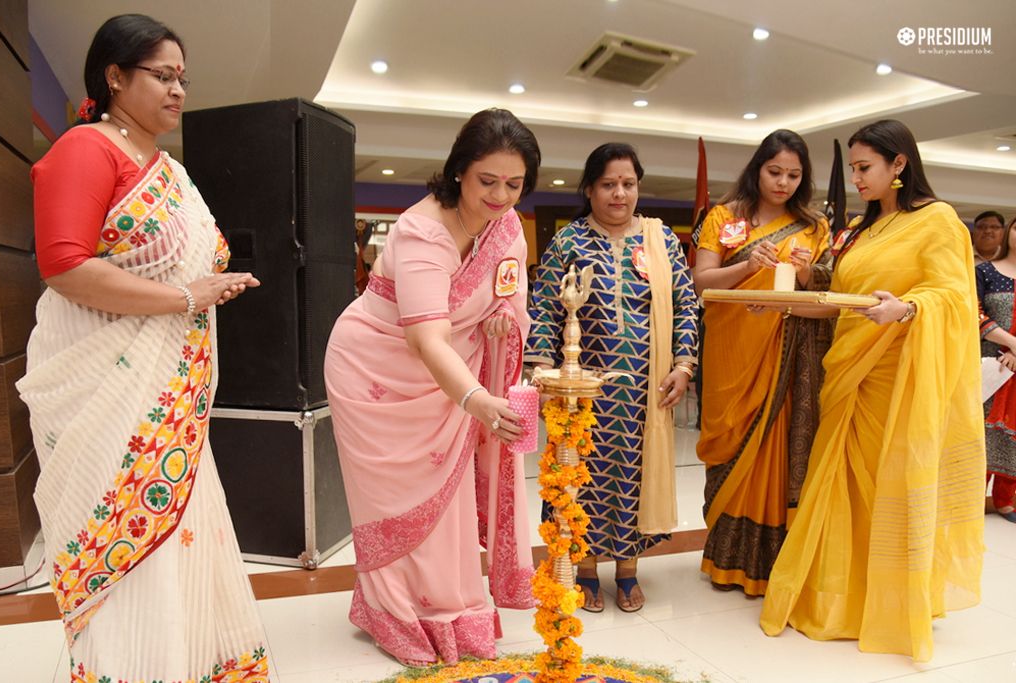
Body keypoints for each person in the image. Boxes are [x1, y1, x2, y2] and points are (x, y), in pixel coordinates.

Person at [16, 14, 269, 682]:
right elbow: (65, 266)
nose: (178, 90)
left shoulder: (170, 172)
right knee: (127, 540)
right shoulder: (85, 149)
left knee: (178, 535)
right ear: (115, 75)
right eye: (163, 75)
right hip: (106, 389)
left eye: (183, 78)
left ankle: (183, 661)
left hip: (169, 391)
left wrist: (208, 287)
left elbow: (180, 272)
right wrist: (189, 296)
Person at [759, 120, 984, 661]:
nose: (855, 178)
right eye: (854, 168)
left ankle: (889, 599)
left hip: (894, 374)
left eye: (865, 168)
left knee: (887, 485)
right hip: (849, 368)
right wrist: (793, 295)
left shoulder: (940, 221)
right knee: (840, 483)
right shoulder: (863, 227)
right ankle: (838, 596)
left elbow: (952, 297)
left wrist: (907, 309)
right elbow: (846, 295)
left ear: (899, 164)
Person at [325, 109, 540, 666]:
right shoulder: (422, 230)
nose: (499, 196)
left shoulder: (507, 227)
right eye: (487, 180)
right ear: (459, 172)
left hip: (453, 372)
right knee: (398, 501)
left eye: (514, 185)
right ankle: (397, 615)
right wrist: (477, 399)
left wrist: (501, 317)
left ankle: (453, 609)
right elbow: (425, 337)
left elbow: (509, 298)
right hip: (377, 374)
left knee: (448, 503)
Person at [526, 143, 698, 612]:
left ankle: (626, 571)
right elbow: (543, 310)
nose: (620, 193)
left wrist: (683, 367)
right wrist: (542, 372)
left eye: (628, 183)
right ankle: (584, 570)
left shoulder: (660, 242)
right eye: (608, 184)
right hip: (583, 390)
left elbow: (686, 306)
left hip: (647, 390)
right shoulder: (569, 243)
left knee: (631, 478)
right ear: (589, 189)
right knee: (583, 475)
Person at [692, 129, 832, 596]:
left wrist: (810, 271)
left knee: (778, 446)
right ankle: (725, 559)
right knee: (731, 445)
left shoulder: (814, 227)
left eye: (794, 175)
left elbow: (826, 290)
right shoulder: (724, 217)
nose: (784, 182)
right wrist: (749, 264)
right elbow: (702, 283)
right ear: (757, 169)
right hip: (733, 354)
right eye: (775, 171)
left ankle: (773, 562)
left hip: (787, 355)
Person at [976, 215, 1016, 522]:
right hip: (989, 366)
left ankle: (1005, 500)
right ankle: (970, 499)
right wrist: (1010, 343)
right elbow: (971, 313)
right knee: (980, 433)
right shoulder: (985, 272)